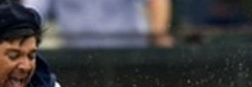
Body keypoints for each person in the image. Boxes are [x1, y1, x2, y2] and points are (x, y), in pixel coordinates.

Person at [21, 0, 175, 48]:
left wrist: (158, 34)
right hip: (79, 61)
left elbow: (157, 2)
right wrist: (22, 37)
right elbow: (31, 14)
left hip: (130, 59)